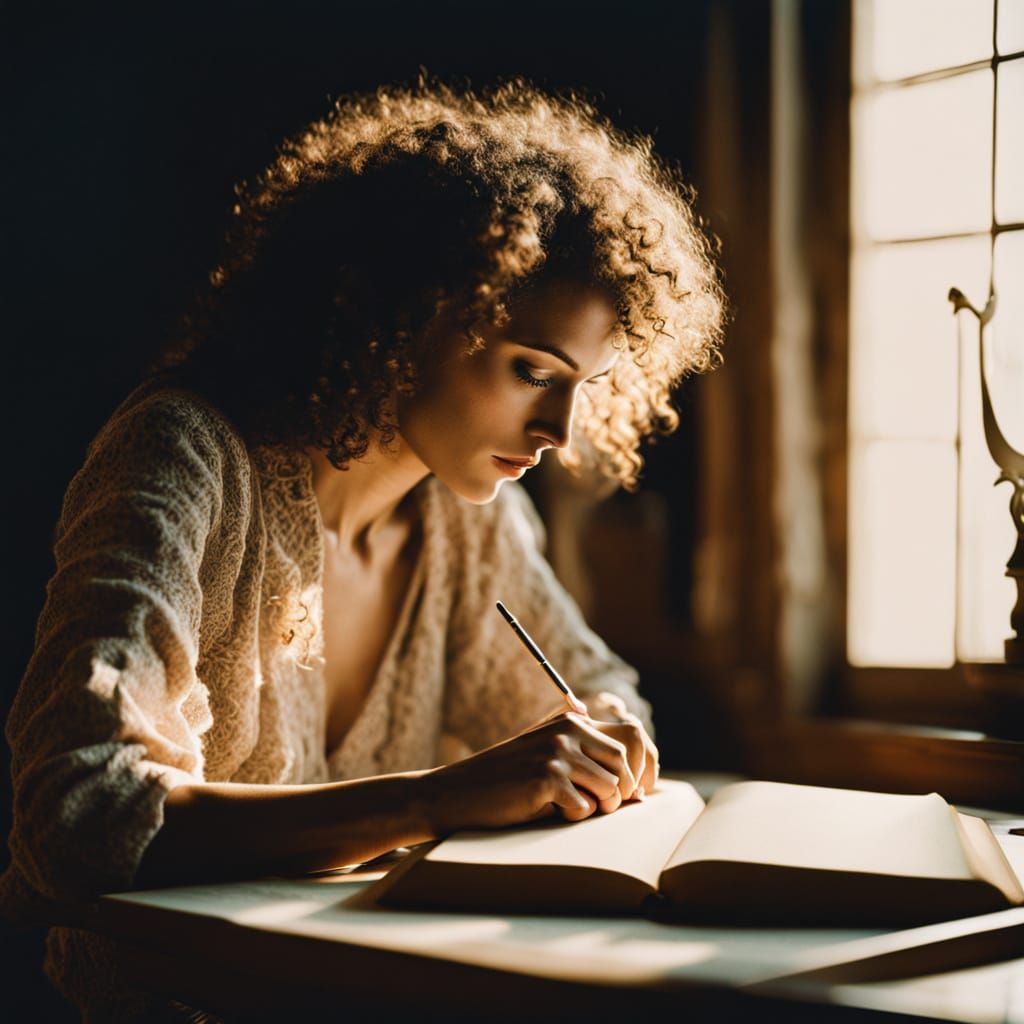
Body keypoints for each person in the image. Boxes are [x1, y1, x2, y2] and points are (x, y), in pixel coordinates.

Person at [1, 79, 724, 1020]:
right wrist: (431, 802)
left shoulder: (473, 519)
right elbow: (78, 816)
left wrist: (600, 744)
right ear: (402, 316)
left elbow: (600, 691)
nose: (558, 429)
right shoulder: (185, 456)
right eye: (531, 371)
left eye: (584, 385)